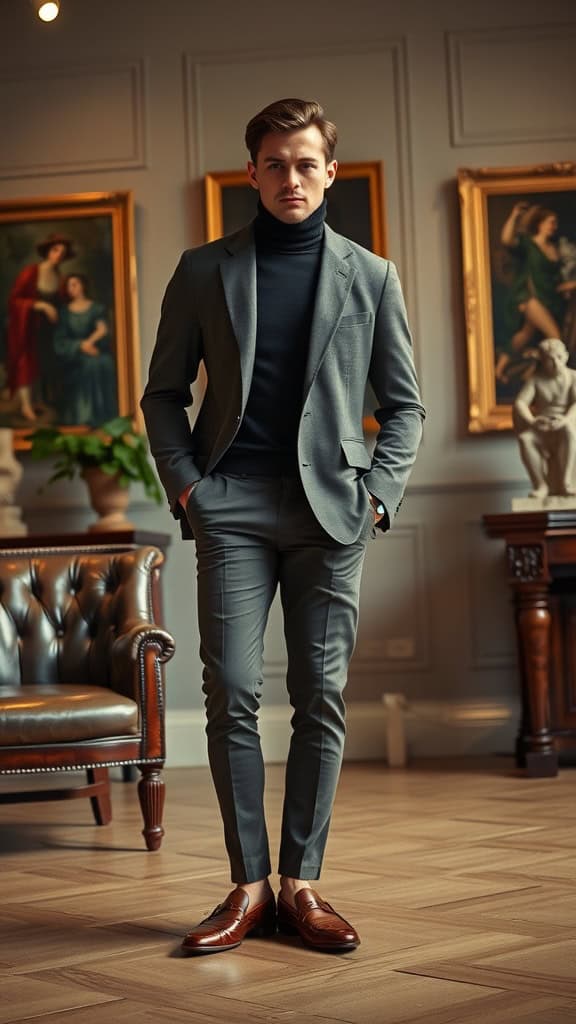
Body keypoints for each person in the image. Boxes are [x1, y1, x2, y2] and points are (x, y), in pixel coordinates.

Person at [141, 98, 424, 956]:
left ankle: (301, 884)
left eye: (306, 163)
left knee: (321, 696)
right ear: (252, 171)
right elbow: (162, 394)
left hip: (332, 510)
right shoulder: (202, 270)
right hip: (230, 503)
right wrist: (188, 486)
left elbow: (403, 406)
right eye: (275, 163)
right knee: (230, 690)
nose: (291, 178)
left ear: (329, 171)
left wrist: (378, 495)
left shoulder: (371, 277)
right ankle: (247, 885)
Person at [496, 203, 576, 382]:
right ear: (539, 224)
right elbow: (506, 240)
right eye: (550, 222)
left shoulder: (554, 248)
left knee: (525, 335)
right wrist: (514, 215)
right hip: (531, 299)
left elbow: (557, 278)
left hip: (550, 299)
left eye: (555, 223)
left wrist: (569, 285)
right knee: (556, 338)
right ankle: (558, 379)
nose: (553, 226)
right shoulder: (528, 244)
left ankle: (500, 368)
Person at [6, 233, 75, 421]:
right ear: (47, 251)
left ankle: (40, 401)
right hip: (27, 327)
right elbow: (14, 301)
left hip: (48, 331)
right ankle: (26, 406)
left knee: (45, 363)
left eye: (63, 252)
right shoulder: (31, 272)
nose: (59, 254)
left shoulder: (59, 277)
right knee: (25, 363)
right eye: (55, 250)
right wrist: (40, 305)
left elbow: (62, 302)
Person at [513, 337, 576, 498]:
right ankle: (541, 485)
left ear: (566, 356)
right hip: (543, 426)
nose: (555, 363)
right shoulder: (536, 380)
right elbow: (520, 402)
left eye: (559, 357)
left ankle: (566, 482)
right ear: (542, 360)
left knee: (570, 431)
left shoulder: (573, 377)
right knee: (525, 439)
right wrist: (532, 421)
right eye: (549, 360)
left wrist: (566, 420)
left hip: (565, 424)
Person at [54, 273, 117, 426]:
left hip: (95, 351)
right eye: (69, 285)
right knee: (89, 365)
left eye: (75, 284)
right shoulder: (65, 313)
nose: (72, 288)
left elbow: (103, 331)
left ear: (82, 285)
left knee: (105, 362)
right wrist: (80, 346)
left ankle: (104, 417)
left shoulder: (96, 309)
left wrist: (92, 343)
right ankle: (83, 417)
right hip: (73, 356)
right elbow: (59, 342)